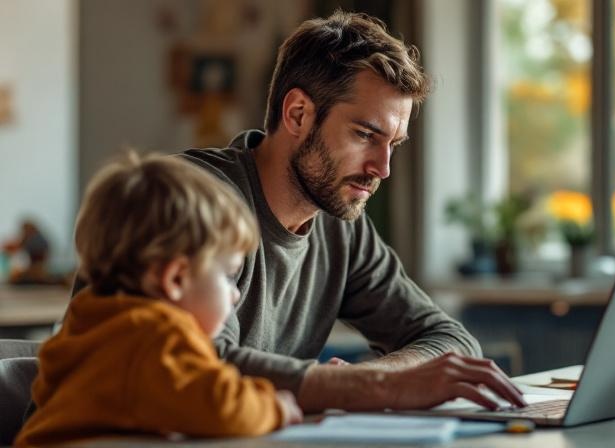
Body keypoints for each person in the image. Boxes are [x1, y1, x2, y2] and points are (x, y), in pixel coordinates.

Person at [177, 10, 526, 412]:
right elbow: (198, 364)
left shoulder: (338, 220)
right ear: (298, 115)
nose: (383, 168)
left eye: (393, 144)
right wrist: (365, 384)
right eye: (365, 135)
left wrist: (385, 374)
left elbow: (448, 338)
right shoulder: (193, 200)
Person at [15, 154, 302, 447]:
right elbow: (221, 407)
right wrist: (276, 407)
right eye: (228, 275)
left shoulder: (88, 324)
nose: (236, 293)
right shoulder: (155, 335)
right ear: (175, 279)